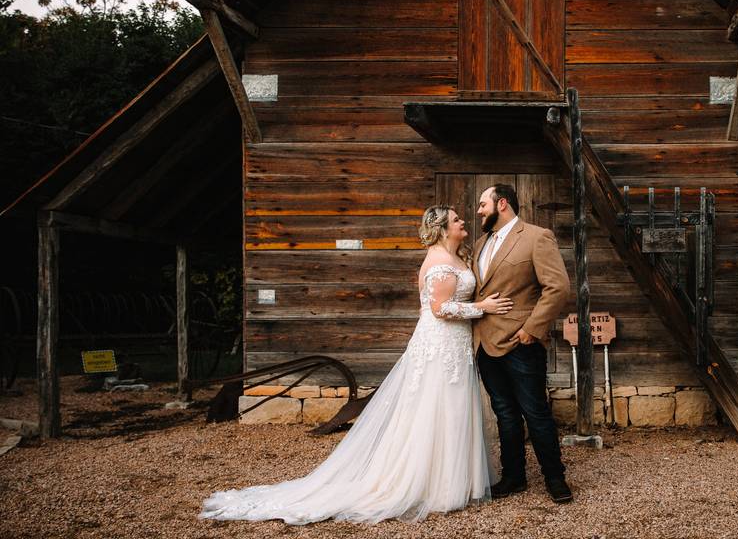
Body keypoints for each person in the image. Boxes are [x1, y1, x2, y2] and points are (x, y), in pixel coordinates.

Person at [199, 205, 513, 525]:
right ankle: (434, 484)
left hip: (453, 345)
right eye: (456, 219)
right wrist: (482, 308)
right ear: (444, 229)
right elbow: (439, 308)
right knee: (436, 408)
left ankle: (452, 478)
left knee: (453, 407)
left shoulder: (458, 256)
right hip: (440, 343)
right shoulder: (439, 262)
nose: (463, 222)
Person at [472, 183, 573, 503]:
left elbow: (557, 287)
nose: (478, 211)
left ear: (502, 204)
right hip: (484, 345)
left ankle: (555, 478)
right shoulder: (479, 244)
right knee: (504, 413)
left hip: (521, 343)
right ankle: (513, 476)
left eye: (482, 204)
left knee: (536, 412)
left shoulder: (536, 236)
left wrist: (532, 329)